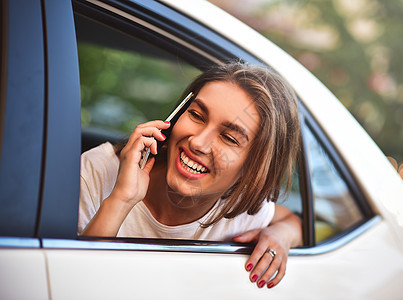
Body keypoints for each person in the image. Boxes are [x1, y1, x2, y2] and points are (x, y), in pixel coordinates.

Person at [78, 61, 302, 289]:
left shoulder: (241, 210)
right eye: (196, 115)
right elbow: (71, 280)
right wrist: (121, 200)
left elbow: (292, 220)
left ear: (255, 170)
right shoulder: (97, 171)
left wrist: (282, 235)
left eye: (229, 138)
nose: (197, 142)